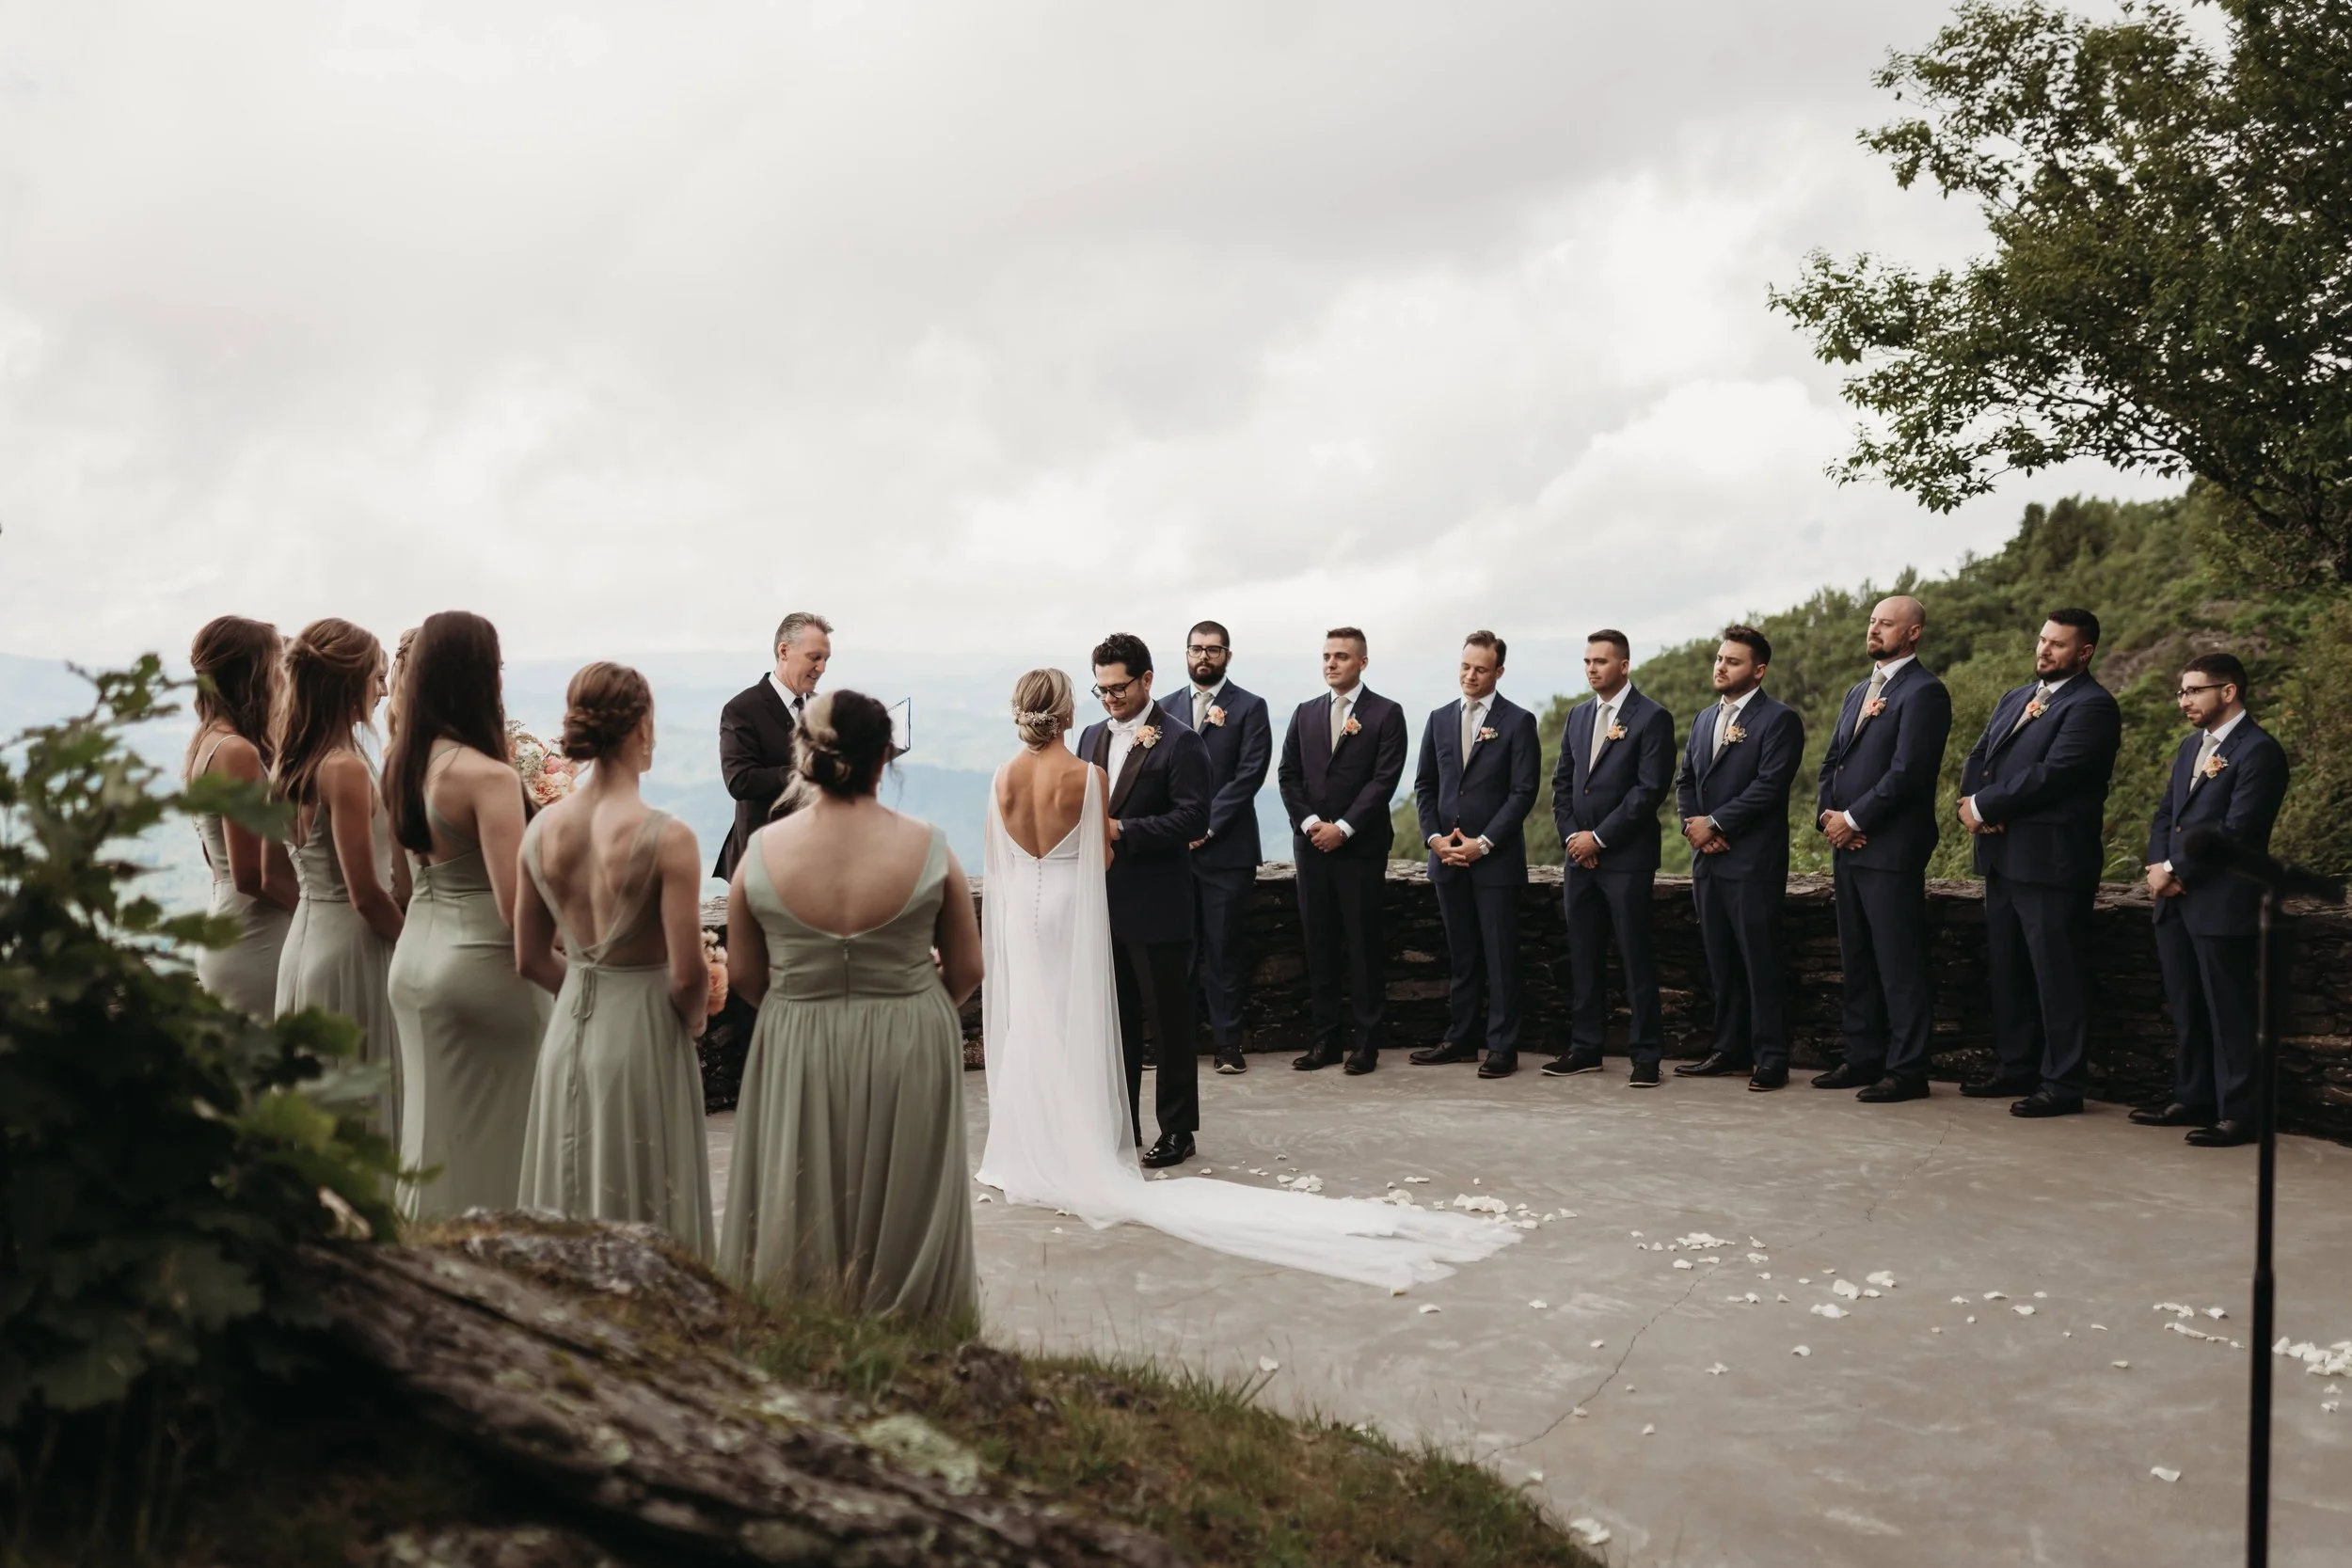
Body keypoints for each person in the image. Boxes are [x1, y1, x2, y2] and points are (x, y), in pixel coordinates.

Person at [976, 669, 1519, 1291]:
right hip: (1071, 906)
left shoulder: (1001, 777)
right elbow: (1099, 855)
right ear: (1068, 712)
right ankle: (1081, 1150)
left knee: (1035, 1021)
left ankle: (1030, 1148)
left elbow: (1000, 861)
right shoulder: (1088, 775)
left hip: (1022, 915)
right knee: (1081, 1022)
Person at [719, 690, 980, 1318]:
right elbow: (968, 969)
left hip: (798, 1039)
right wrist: (912, 997)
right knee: (908, 1195)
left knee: (799, 1190)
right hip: (909, 1038)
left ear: (803, 756)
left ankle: (802, 1324)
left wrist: (801, 1001)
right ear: (885, 756)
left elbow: (746, 975)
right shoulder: (930, 847)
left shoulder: (760, 855)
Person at [515, 663, 714, 1256]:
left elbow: (530, 958)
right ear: (643, 727)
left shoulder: (541, 831)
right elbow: (687, 975)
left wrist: (585, 989)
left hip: (569, 1028)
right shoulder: (667, 837)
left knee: (570, 1187)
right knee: (650, 1192)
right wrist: (695, 1020)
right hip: (645, 1032)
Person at [384, 610, 548, 1221]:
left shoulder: (400, 764)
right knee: (502, 1140)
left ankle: (423, 1253)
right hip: (484, 969)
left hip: (414, 966)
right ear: (480, 676)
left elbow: (402, 885)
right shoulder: (488, 777)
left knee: (433, 1139)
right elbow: (515, 906)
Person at [1956, 610, 2122, 1118]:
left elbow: (2057, 774)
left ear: (2084, 653)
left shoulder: (2093, 706)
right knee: (2009, 971)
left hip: (2052, 862)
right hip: (2002, 857)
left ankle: (2063, 1083)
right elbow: (1979, 757)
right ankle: (2016, 1067)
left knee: (2057, 975)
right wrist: (1973, 805)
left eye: (2058, 644)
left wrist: (1987, 806)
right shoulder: (2016, 698)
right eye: (2043, 639)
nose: (2044, 650)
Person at [2135, 654, 2289, 1148]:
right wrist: (2158, 866)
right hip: (2176, 903)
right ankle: (2193, 1097)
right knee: (2187, 1007)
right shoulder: (2190, 747)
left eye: (2194, 690)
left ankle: (2240, 1115)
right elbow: (2167, 815)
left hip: (2222, 901)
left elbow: (2238, 829)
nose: (2184, 700)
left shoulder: (2259, 751)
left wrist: (2175, 870)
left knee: (2230, 1013)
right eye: (2181, 691)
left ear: (2228, 691)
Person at [1074, 633, 1212, 1167]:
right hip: (1102, 903)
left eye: (1119, 688)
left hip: (1159, 905)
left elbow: (1193, 818)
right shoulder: (1090, 737)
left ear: (1147, 679)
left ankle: (1178, 1130)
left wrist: (1123, 828)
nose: (1110, 699)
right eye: (1102, 689)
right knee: (1117, 1023)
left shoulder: (1181, 741)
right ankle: (1121, 1123)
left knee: (1170, 1024)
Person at [1811, 596, 1954, 1102]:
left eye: (1886, 624)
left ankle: (1907, 1070)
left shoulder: (1925, 692)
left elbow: (1908, 772)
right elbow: (1833, 762)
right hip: (1848, 845)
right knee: (1858, 960)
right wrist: (1828, 817)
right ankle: (1862, 1056)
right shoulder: (1859, 690)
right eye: (1872, 621)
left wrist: (1855, 819)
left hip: (1890, 847)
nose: (1874, 630)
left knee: (1899, 962)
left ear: (1913, 633)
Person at [272, 618, 407, 1136]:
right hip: (353, 949)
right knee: (362, 1103)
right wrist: (414, 941)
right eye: (376, 677)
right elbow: (365, 893)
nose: (384, 690)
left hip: (303, 944)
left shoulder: (288, 764)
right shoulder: (343, 769)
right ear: (347, 684)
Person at [1674, 626, 1804, 1091]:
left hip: (1752, 861)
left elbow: (1769, 786)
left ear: (1758, 670)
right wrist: (1694, 827)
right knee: (1721, 960)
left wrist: (1717, 824)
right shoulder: (1704, 719)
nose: (1721, 666)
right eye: (1719, 658)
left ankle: (1771, 1058)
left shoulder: (1779, 720)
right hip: (1708, 861)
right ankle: (1729, 1050)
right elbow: (1685, 780)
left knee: (1759, 960)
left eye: (1733, 661)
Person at [1276, 628, 1408, 1075]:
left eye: (1342, 657)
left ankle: (1366, 1045)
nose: (1331, 663)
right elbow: (1288, 775)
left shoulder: (1386, 713)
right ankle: (1325, 1041)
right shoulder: (1305, 712)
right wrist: (1312, 824)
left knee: (1364, 945)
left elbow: (1383, 781)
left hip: (1361, 849)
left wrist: (1345, 829)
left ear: (1362, 663)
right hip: (1312, 848)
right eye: (1327, 656)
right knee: (1319, 945)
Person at [1407, 631, 1540, 1077]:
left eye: (1480, 669)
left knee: (1501, 958)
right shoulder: (1438, 719)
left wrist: (1483, 844)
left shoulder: (1518, 721)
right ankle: (1461, 1039)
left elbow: (1523, 792)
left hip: (1495, 862)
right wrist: (1434, 839)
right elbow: (1425, 785)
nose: (1470, 675)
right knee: (1461, 955)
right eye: (1465, 666)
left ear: (1498, 671)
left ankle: (1502, 1047)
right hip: (1446, 858)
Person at [1545, 629, 1674, 1082]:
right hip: (1578, 860)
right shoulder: (1578, 716)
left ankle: (1646, 1056)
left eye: (1600, 661)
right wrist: (1572, 839)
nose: (1591, 669)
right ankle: (1585, 1048)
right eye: (1587, 661)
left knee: (1636, 957)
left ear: (1624, 665)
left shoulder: (1652, 717)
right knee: (1583, 956)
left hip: (1626, 860)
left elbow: (1648, 791)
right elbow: (1562, 784)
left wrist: (1598, 839)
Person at [1157, 620, 1271, 1076]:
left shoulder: (1250, 707)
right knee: (1176, 953)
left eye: (1213, 649)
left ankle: (1228, 1045)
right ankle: (1176, 1043)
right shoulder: (1164, 708)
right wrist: (1173, 827)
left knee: (1224, 952)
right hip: (1174, 854)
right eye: (1196, 649)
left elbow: (1249, 774)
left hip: (1227, 854)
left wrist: (1206, 825)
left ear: (1227, 655)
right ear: (1186, 653)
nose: (1203, 656)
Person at [183, 615, 298, 1019]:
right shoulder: (235, 751)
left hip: (234, 922)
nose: (284, 674)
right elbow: (249, 874)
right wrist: (317, 913)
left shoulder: (207, 741)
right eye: (277, 661)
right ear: (252, 670)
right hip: (257, 937)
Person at [713, 611, 832, 882]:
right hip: (763, 861)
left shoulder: (823, 707)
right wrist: (807, 773)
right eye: (815, 658)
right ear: (784, 651)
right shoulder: (742, 709)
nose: (822, 668)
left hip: (816, 856)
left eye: (826, 659)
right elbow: (740, 781)